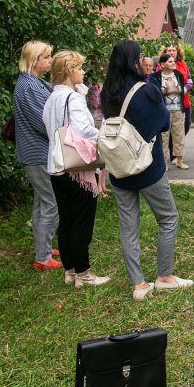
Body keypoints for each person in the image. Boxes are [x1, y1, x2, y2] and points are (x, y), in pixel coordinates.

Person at [103, 40, 193, 301]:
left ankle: (138, 284)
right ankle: (164, 276)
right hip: (148, 167)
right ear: (134, 62)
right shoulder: (146, 90)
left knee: (128, 226)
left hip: (119, 168)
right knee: (167, 218)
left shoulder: (108, 91)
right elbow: (164, 123)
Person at [43, 51, 110, 288]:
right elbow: (83, 129)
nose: (83, 72)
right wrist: (102, 135)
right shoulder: (72, 99)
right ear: (69, 71)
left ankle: (70, 269)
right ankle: (84, 272)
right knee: (82, 219)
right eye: (79, 68)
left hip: (56, 165)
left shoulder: (53, 97)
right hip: (76, 168)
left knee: (67, 219)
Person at [13, 40, 61, 271]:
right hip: (38, 152)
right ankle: (42, 257)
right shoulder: (30, 87)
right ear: (34, 60)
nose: (50, 61)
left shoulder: (33, 83)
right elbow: (44, 122)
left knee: (42, 203)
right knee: (51, 203)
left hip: (38, 152)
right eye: (46, 57)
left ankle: (44, 246)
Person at [156, 53, 189, 170]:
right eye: (170, 61)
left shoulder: (178, 75)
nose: (173, 63)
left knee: (179, 135)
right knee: (164, 137)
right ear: (162, 64)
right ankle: (164, 162)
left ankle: (179, 160)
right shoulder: (156, 77)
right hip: (163, 111)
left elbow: (182, 90)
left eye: (173, 61)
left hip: (177, 109)